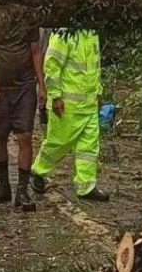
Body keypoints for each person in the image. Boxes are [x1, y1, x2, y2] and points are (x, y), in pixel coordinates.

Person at [30, 27, 110, 202]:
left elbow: (95, 67)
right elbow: (51, 65)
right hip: (67, 105)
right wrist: (55, 96)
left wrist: (98, 92)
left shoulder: (92, 33)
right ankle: (38, 172)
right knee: (59, 143)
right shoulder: (63, 34)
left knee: (88, 147)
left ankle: (86, 186)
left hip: (88, 104)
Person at [0, 21, 45, 211]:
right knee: (0, 137)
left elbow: (36, 52)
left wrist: (42, 85)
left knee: (25, 136)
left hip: (24, 86)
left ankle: (22, 191)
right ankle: (3, 186)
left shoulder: (27, 20)